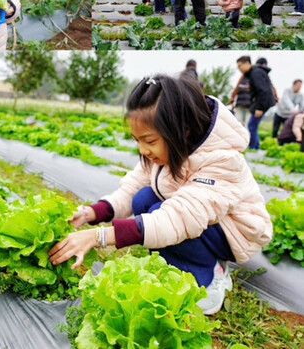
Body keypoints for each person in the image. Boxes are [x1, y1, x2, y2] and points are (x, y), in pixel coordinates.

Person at [48, 75, 272, 315]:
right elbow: (131, 188)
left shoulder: (223, 159)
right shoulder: (165, 150)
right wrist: (90, 214)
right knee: (142, 199)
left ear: (182, 131)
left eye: (149, 141)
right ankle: (185, 263)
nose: (143, 150)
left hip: (234, 231)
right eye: (138, 141)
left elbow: (180, 218)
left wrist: (99, 236)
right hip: (198, 217)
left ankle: (212, 274)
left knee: (158, 214)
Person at [236, 56, 275, 150]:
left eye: (240, 66)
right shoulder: (254, 73)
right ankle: (256, 146)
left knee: (251, 126)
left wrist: (260, 108)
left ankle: (254, 148)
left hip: (263, 104)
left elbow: (263, 91)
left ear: (247, 63)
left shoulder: (255, 73)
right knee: (253, 125)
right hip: (263, 103)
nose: (239, 69)